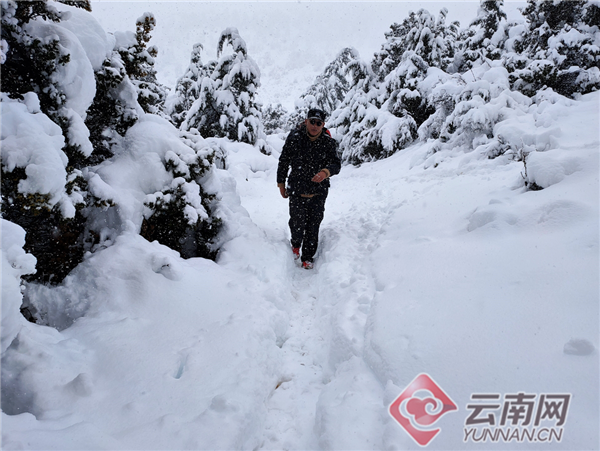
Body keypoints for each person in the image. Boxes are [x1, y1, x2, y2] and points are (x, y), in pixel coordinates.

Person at [277, 108, 341, 269]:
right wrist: (281, 183)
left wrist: (325, 172)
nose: (314, 126)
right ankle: (296, 244)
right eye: (312, 121)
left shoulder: (328, 142)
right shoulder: (294, 138)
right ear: (306, 121)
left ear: (323, 125)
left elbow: (336, 164)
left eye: (318, 123)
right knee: (297, 221)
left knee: (314, 224)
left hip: (318, 191)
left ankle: (307, 257)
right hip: (297, 189)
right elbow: (284, 161)